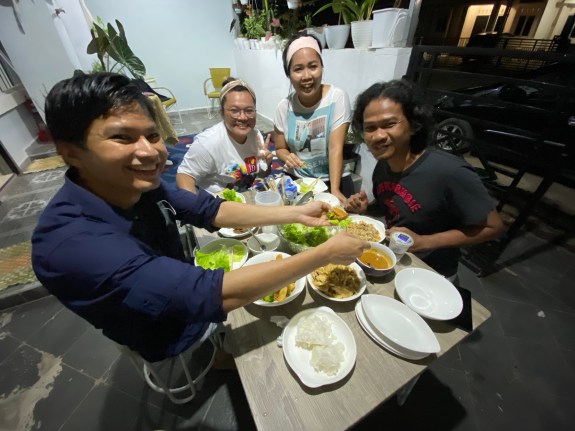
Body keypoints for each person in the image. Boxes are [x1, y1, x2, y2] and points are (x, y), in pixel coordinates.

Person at [31, 72, 368, 363]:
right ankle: (221, 358)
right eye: (121, 137)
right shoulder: (69, 245)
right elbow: (208, 295)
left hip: (192, 286)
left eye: (152, 135)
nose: (150, 152)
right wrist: (325, 253)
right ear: (71, 152)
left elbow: (210, 209)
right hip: (171, 330)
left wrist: (297, 212)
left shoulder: (138, 187)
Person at [346, 80, 504, 279]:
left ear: (414, 125)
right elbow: (392, 206)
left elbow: (494, 227)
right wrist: (366, 209)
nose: (378, 136)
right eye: (370, 128)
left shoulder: (450, 172)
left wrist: (424, 242)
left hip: (434, 273)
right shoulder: (384, 165)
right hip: (393, 260)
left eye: (389, 124)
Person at [274, 32, 353, 205]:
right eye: (298, 69)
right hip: (299, 182)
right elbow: (279, 148)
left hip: (333, 180)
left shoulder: (336, 98)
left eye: (313, 66)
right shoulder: (283, 107)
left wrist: (334, 191)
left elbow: (335, 147)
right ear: (289, 74)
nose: (307, 76)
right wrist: (287, 157)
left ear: (322, 67)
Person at [176, 77, 272, 193]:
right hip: (215, 200)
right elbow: (184, 176)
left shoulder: (256, 137)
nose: (243, 117)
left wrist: (267, 164)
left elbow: (261, 174)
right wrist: (197, 203)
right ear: (222, 112)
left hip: (242, 196)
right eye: (234, 111)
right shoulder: (207, 143)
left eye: (249, 110)